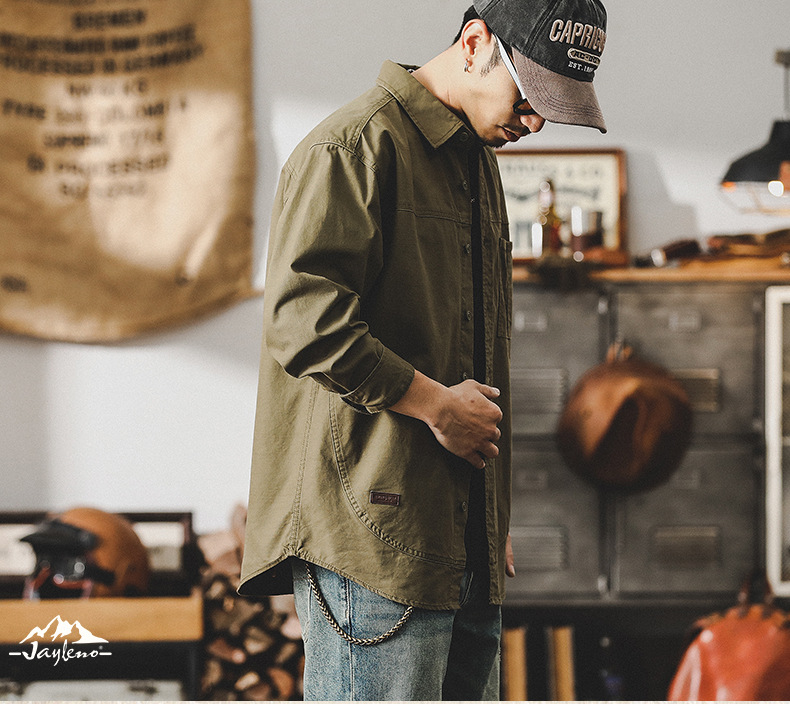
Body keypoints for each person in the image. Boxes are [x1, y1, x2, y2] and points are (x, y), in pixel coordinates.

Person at [239, 0, 608, 699]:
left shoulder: (475, 163)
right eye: (530, 95)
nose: (535, 122)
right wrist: (437, 406)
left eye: (553, 107)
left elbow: (470, 345)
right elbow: (300, 318)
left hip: (458, 537)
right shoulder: (352, 147)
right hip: (370, 538)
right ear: (474, 43)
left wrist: (485, 518)